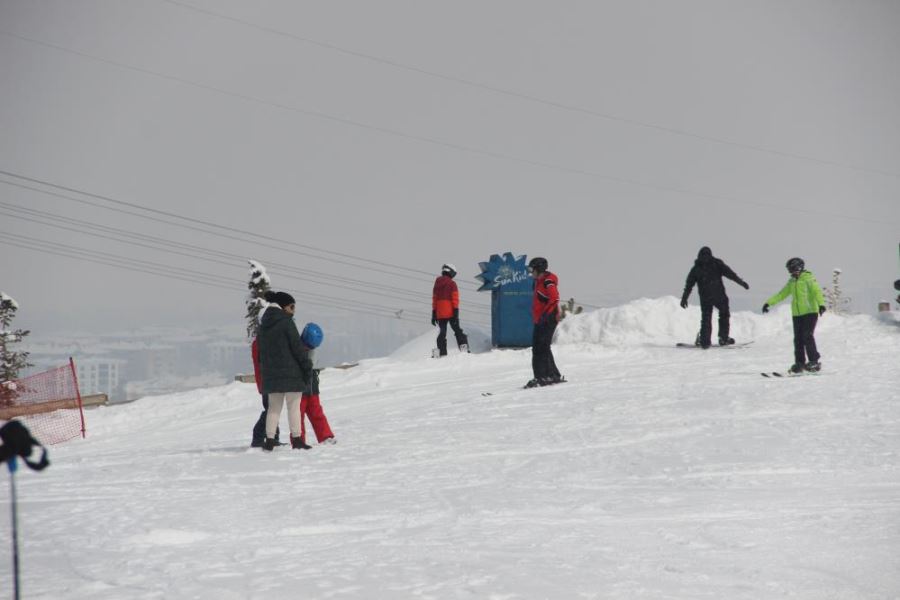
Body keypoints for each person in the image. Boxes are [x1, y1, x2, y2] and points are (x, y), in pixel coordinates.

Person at [257, 290, 313, 451]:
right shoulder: (286, 323)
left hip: (271, 374)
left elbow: (261, 352)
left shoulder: (263, 326)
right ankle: (297, 439)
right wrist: (307, 367)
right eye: (292, 307)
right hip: (291, 374)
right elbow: (297, 349)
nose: (293, 310)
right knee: (293, 407)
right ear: (283, 306)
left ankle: (269, 439)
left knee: (273, 408)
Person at [762, 257, 826, 373]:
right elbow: (782, 294)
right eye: (790, 270)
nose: (791, 272)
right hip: (797, 314)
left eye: (792, 270)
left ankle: (814, 362)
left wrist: (821, 305)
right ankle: (800, 363)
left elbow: (817, 292)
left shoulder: (808, 279)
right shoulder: (792, 282)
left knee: (807, 335)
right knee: (798, 339)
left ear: (799, 268)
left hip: (810, 312)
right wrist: (768, 303)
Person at [680, 246, 749, 348]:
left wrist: (684, 298)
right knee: (724, 314)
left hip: (705, 297)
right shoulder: (717, 263)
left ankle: (705, 341)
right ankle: (723, 338)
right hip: (719, 296)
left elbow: (689, 285)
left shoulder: (696, 268)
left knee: (706, 318)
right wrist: (742, 283)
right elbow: (731, 274)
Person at [295, 322, 336, 448]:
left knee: (316, 412)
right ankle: (299, 439)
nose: (308, 349)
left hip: (312, 386)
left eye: (311, 347)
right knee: (298, 414)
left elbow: (312, 365)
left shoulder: (312, 350)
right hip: (299, 387)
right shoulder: (295, 346)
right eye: (307, 346)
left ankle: (325, 436)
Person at [525, 257, 564, 388]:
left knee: (540, 348)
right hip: (542, 318)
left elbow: (554, 298)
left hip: (548, 318)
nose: (531, 272)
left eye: (532, 269)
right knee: (540, 347)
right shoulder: (539, 281)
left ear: (539, 269)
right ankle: (551, 375)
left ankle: (543, 377)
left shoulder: (548, 281)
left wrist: (546, 315)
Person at [431, 263, 468, 356]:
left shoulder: (437, 283)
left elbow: (434, 299)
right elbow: (455, 298)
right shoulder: (452, 283)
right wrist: (456, 312)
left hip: (440, 313)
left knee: (442, 333)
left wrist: (434, 313)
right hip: (451, 312)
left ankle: (442, 353)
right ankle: (464, 350)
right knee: (458, 331)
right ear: (451, 272)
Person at [250, 335, 280, 448]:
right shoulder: (263, 342)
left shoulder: (260, 341)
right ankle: (258, 437)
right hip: (267, 382)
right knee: (271, 409)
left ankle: (273, 437)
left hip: (266, 382)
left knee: (272, 408)